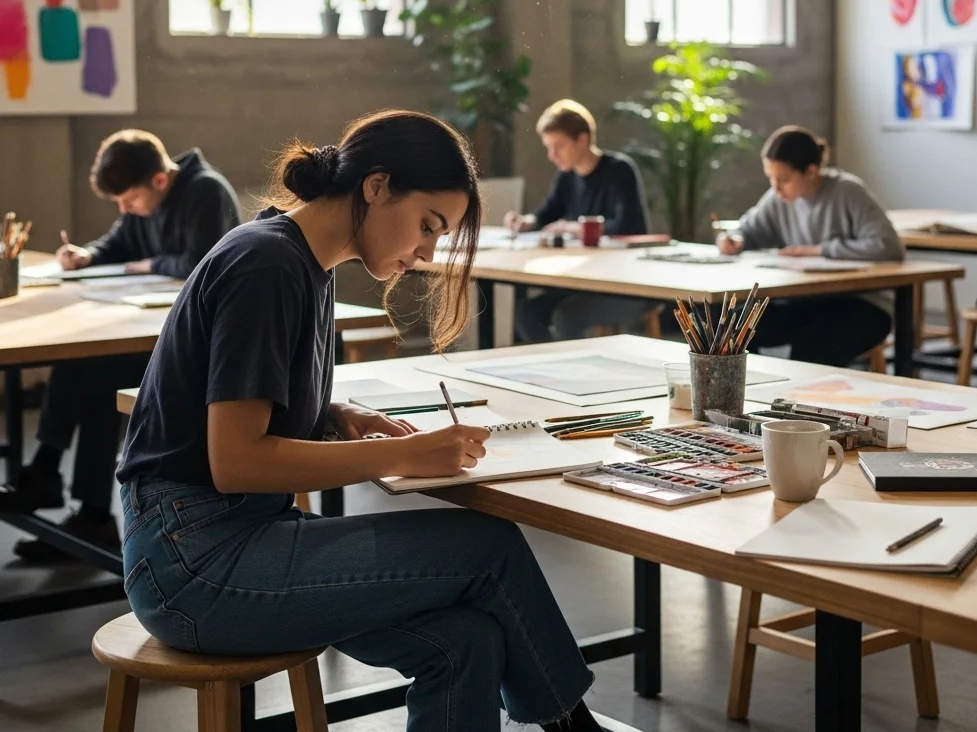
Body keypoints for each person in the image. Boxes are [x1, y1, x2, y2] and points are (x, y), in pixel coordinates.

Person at [114, 110, 602, 732]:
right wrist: (402, 455)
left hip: (230, 540)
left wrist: (339, 415)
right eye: (428, 225)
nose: (427, 251)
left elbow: (254, 410)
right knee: (490, 547)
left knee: (466, 641)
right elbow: (236, 461)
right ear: (376, 186)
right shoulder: (266, 265)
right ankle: (573, 727)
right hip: (193, 566)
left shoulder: (301, 263)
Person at [0, 130, 241, 562]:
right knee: (78, 355)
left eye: (128, 200)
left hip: (201, 344)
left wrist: (143, 264)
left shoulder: (206, 191)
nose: (125, 209)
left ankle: (79, 503)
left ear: (159, 182)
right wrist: (87, 256)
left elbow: (201, 263)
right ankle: (55, 479)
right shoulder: (144, 198)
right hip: (153, 328)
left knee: (98, 370)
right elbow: (119, 242)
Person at [716, 125, 904, 367]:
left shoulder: (847, 191)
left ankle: (799, 400)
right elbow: (748, 230)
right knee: (733, 326)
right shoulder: (778, 198)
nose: (775, 187)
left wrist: (820, 250)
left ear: (811, 171)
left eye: (783, 179)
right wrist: (733, 240)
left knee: (815, 345)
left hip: (861, 304)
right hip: (803, 301)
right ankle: (749, 389)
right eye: (770, 178)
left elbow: (888, 246)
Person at [504, 99, 652, 342]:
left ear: (582, 139)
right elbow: (545, 214)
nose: (552, 155)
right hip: (584, 281)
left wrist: (573, 227)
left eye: (558, 146)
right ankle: (553, 373)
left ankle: (569, 375)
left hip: (624, 285)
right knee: (526, 313)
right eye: (548, 148)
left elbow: (629, 226)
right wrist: (525, 222)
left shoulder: (619, 170)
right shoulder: (567, 176)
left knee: (566, 317)